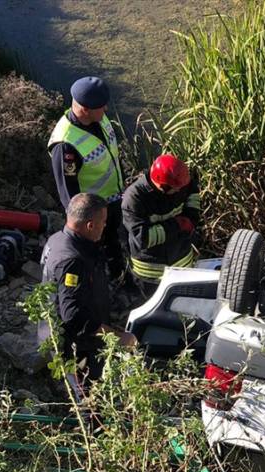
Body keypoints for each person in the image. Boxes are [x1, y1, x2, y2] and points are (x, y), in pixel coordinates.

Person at [38, 193, 136, 393]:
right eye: (103, 222)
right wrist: (117, 337)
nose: (105, 226)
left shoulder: (58, 239)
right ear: (90, 225)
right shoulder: (72, 260)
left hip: (73, 337)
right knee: (90, 405)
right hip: (75, 348)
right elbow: (74, 317)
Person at [47, 76, 126, 278]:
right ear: (85, 109)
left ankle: (119, 277)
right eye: (101, 106)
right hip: (92, 214)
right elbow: (68, 194)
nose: (106, 109)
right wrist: (83, 228)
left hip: (113, 199)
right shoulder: (66, 144)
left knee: (114, 244)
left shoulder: (98, 118)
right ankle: (99, 286)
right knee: (94, 254)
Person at [121, 153, 202, 295]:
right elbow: (142, 238)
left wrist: (191, 217)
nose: (180, 191)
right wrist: (178, 225)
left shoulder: (181, 181)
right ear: (163, 186)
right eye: (176, 189)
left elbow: (193, 193)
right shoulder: (134, 199)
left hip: (182, 261)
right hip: (150, 274)